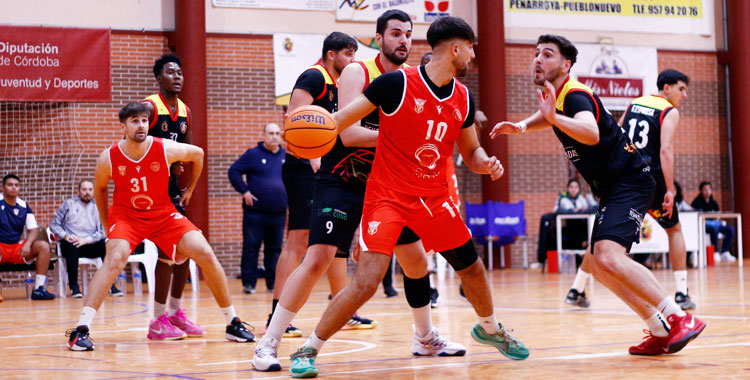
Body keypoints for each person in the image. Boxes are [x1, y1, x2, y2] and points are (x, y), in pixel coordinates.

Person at [284, 16, 529, 378]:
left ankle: (490, 328)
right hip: (388, 197)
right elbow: (340, 121)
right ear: (456, 49)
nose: (474, 57)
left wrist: (486, 163)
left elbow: (472, 152)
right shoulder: (395, 84)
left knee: (472, 267)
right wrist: (304, 128)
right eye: (472, 49)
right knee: (367, 281)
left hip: (433, 197)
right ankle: (308, 349)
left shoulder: (463, 96)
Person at [253, 11, 469, 374]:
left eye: (408, 35)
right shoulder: (358, 72)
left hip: (388, 186)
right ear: (379, 38)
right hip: (343, 180)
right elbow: (349, 134)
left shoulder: (413, 81)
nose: (403, 40)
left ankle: (425, 337)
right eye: (395, 34)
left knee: (415, 260)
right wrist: (405, 139)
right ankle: (268, 342)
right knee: (319, 257)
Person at [491, 34, 705, 356]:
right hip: (612, 186)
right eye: (535, 54)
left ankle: (678, 317)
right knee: (600, 264)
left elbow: (589, 133)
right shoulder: (560, 97)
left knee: (606, 256)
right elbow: (552, 120)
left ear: (566, 65)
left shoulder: (575, 95)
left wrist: (551, 118)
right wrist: (522, 126)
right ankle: (659, 328)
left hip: (630, 180)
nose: (537, 59)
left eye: (546, 55)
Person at [65, 103, 255, 351]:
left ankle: (232, 323)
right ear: (123, 126)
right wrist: (106, 221)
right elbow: (100, 189)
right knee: (115, 258)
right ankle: (81, 330)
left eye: (144, 120)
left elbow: (197, 154)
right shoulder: (108, 157)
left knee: (205, 253)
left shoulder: (163, 147)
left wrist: (190, 189)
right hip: (127, 216)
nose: (141, 125)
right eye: (134, 121)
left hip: (163, 214)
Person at [565, 69, 696, 310]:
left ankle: (577, 288)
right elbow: (665, 150)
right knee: (674, 230)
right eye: (681, 88)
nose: (684, 95)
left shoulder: (635, 103)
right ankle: (680, 293)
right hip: (648, 180)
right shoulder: (669, 111)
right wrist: (670, 189)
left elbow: (617, 133)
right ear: (666, 88)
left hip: (624, 174)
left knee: (604, 238)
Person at [269, 31, 358, 338]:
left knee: (334, 241)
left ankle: (345, 309)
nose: (353, 60)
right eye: (348, 53)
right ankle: (277, 313)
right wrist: (313, 158)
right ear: (331, 55)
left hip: (329, 168)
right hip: (302, 166)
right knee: (298, 239)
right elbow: (293, 123)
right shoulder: (314, 76)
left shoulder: (341, 85)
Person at [140, 53, 204, 340]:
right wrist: (163, 161)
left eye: (179, 72)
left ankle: (175, 313)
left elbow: (188, 153)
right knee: (167, 254)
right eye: (170, 72)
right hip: (147, 192)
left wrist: (184, 177)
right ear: (158, 78)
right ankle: (157, 320)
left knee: (185, 250)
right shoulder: (148, 107)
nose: (177, 76)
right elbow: (133, 148)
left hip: (172, 191)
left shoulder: (186, 111)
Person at [228, 123, 286, 294]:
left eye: (277, 133)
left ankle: (272, 283)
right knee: (251, 247)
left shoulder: (286, 155)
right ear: (264, 135)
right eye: (270, 133)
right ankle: (249, 284)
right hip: (255, 212)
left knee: (274, 249)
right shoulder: (253, 154)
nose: (274, 136)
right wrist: (244, 191)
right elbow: (234, 171)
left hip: (279, 212)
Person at [50, 180, 122, 298]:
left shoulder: (99, 207)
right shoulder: (68, 204)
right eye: (84, 190)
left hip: (89, 242)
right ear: (78, 191)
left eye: (90, 190)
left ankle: (111, 286)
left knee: (107, 246)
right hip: (71, 241)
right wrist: (65, 236)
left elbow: (103, 231)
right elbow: (54, 225)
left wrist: (87, 240)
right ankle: (74, 288)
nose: (87, 192)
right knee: (71, 247)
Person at [0, 174, 55, 300]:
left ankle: (39, 289)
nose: (13, 188)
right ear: (3, 188)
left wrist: (28, 244)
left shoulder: (23, 206)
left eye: (16, 185)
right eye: (10, 185)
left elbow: (33, 230)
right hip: (1, 246)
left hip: (16, 248)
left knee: (43, 246)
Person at [691, 181, 736, 262]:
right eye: (705, 189)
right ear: (701, 191)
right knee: (713, 228)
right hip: (704, 225)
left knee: (730, 229)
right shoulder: (696, 202)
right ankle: (715, 252)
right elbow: (694, 216)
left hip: (716, 224)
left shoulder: (713, 202)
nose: (707, 191)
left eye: (709, 189)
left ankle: (725, 252)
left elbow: (718, 215)